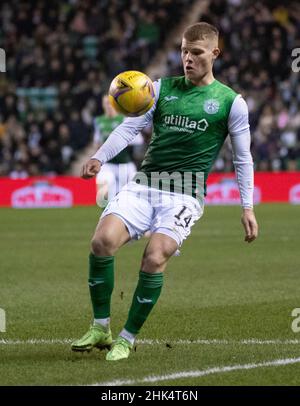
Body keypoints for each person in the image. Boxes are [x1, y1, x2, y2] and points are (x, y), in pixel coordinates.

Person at [71, 22, 258, 361]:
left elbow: (243, 158)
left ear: (215, 53)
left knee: (155, 257)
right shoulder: (159, 89)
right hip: (144, 185)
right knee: (101, 243)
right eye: (184, 51)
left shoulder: (231, 102)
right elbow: (129, 130)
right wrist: (98, 157)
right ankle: (101, 327)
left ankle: (126, 338)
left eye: (196, 53)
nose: (188, 58)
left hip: (185, 193)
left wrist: (248, 207)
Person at [93, 95, 144, 206]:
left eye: (110, 103)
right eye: (106, 103)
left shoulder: (124, 120)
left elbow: (139, 140)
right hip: (108, 164)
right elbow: (97, 142)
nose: (108, 106)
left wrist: (120, 139)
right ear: (103, 105)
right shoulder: (99, 121)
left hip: (125, 164)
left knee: (132, 197)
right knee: (103, 195)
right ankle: (106, 217)